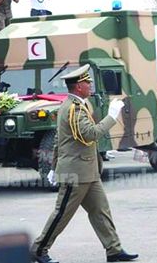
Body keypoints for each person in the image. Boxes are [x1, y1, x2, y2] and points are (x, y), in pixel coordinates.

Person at [30, 64, 137, 263]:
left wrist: (53, 165)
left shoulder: (77, 105)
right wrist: (112, 116)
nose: (90, 86)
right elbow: (90, 135)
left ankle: (113, 249)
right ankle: (38, 249)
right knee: (62, 213)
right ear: (79, 86)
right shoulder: (73, 109)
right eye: (87, 83)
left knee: (100, 210)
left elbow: (58, 141)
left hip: (88, 170)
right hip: (76, 172)